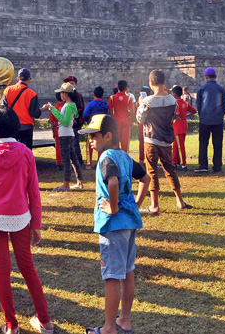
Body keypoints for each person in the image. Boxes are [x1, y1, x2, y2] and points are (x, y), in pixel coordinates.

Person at [0, 107, 54, 334]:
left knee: (2, 272)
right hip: (21, 218)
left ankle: (11, 325)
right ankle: (45, 321)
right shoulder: (26, 153)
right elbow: (34, 193)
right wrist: (36, 225)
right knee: (28, 268)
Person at [79, 114, 151, 334]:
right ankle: (124, 320)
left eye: (93, 135)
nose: (90, 140)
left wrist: (113, 207)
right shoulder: (125, 157)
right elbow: (146, 179)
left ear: (108, 136)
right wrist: (136, 203)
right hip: (129, 223)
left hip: (113, 225)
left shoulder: (106, 157)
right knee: (127, 272)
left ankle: (109, 328)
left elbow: (112, 182)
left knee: (112, 276)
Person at [136, 69, 191, 213]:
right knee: (170, 170)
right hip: (166, 140)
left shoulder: (148, 101)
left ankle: (154, 205)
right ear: (164, 82)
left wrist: (141, 103)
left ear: (151, 83)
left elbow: (140, 119)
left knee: (152, 171)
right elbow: (173, 116)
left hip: (151, 139)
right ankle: (179, 200)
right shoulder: (172, 100)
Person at [43, 83, 84, 191]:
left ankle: (66, 184)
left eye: (61, 92)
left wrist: (53, 110)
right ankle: (79, 181)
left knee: (66, 159)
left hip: (65, 134)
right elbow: (74, 118)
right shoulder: (72, 105)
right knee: (73, 158)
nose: (60, 94)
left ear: (65, 94)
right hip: (68, 134)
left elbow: (65, 121)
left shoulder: (69, 105)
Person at [195, 67, 225, 174]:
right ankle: (217, 166)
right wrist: (220, 115)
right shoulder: (221, 89)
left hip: (205, 119)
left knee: (203, 143)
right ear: (215, 77)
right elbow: (224, 105)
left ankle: (203, 165)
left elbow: (199, 105)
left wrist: (202, 115)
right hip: (218, 119)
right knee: (218, 143)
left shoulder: (202, 89)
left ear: (206, 77)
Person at [0, 68, 41, 149]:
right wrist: (41, 110)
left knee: (11, 151)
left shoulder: (7, 90)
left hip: (11, 126)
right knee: (26, 152)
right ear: (28, 79)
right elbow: (34, 113)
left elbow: (2, 108)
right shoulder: (32, 94)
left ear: (18, 78)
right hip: (26, 127)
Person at [171, 86, 197, 172]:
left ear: (174, 94)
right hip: (183, 125)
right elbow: (194, 111)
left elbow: (177, 113)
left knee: (179, 146)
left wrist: (171, 117)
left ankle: (183, 164)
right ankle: (175, 162)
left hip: (177, 126)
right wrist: (186, 115)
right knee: (177, 145)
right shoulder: (184, 103)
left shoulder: (176, 103)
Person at [83, 86, 109, 169]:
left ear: (94, 94)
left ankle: (89, 164)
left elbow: (85, 115)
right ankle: (100, 163)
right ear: (102, 95)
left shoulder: (91, 104)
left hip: (92, 126)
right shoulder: (104, 105)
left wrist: (88, 121)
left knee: (89, 144)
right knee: (101, 144)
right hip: (101, 127)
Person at [63, 76, 85, 166]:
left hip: (76, 122)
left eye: (72, 83)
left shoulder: (77, 94)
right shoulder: (67, 94)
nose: (71, 85)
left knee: (75, 143)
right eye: (69, 84)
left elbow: (80, 108)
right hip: (69, 122)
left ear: (76, 84)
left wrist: (74, 118)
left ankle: (79, 161)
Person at [108, 80, 134, 153]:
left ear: (118, 88)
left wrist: (112, 119)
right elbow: (131, 111)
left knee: (115, 140)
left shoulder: (112, 97)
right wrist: (131, 121)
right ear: (126, 88)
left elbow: (110, 109)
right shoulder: (129, 98)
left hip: (116, 121)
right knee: (125, 141)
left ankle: (116, 156)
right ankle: (124, 157)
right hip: (126, 121)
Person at [136, 86, 153, 166]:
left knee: (142, 142)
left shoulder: (140, 100)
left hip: (141, 124)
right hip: (149, 124)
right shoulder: (151, 100)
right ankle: (149, 159)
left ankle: (141, 159)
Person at [48, 93, 65, 170]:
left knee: (58, 148)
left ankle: (59, 163)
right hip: (66, 130)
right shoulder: (67, 107)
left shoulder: (54, 108)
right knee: (67, 147)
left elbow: (52, 122)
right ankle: (66, 163)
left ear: (56, 99)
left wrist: (53, 132)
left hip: (58, 130)